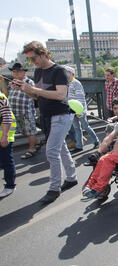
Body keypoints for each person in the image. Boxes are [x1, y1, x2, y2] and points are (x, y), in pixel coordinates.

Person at [14, 41, 77, 204]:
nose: (31, 61)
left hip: (60, 115)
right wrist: (26, 90)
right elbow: (39, 96)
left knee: (51, 151)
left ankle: (54, 188)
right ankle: (71, 177)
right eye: (29, 59)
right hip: (46, 116)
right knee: (60, 147)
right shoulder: (37, 72)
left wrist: (33, 89)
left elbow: (60, 95)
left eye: (33, 58)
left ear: (43, 54)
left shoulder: (59, 71)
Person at [0, 63, 42, 159]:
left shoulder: (29, 82)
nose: (15, 73)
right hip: (15, 111)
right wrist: (2, 82)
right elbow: (6, 94)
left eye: (17, 71)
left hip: (26, 111)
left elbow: (35, 95)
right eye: (14, 71)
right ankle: (38, 141)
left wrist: (21, 88)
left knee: (30, 131)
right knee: (22, 131)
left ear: (24, 72)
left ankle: (32, 149)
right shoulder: (13, 81)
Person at [65, 66, 100, 152]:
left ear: (70, 73)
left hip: (78, 110)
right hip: (72, 110)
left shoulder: (76, 83)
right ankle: (79, 146)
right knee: (77, 128)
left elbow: (80, 98)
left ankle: (96, 141)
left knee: (85, 126)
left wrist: (80, 111)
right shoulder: (69, 84)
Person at [0, 90, 17, 198]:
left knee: (6, 161)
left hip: (4, 135)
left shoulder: (1, 98)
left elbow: (7, 118)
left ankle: (10, 186)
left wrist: (5, 136)